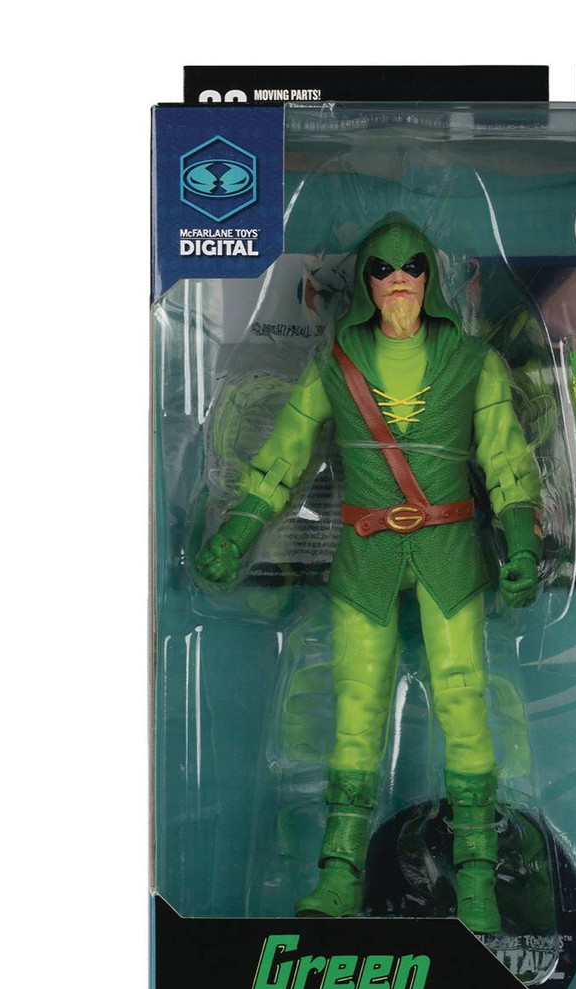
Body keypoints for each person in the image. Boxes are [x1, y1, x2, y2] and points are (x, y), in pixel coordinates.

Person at [196, 214, 542, 931]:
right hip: (365, 553)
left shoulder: (472, 362)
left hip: (449, 549)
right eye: (383, 270)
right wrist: (235, 534)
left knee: (463, 701)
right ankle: (338, 874)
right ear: (365, 282)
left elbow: (506, 461)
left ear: (431, 278)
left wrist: (521, 546)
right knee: (355, 712)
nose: (398, 280)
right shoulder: (336, 364)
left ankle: (478, 879)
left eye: (412, 267)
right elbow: (284, 456)